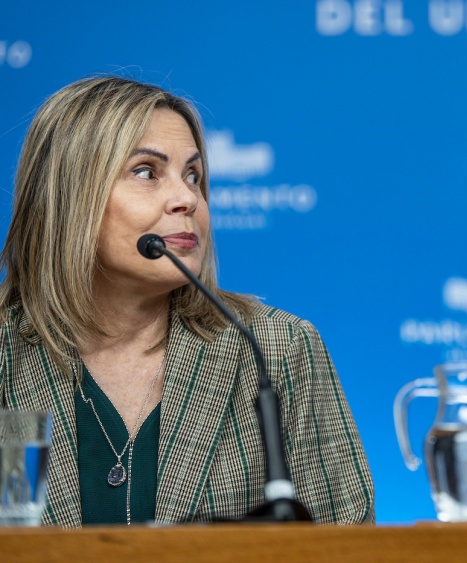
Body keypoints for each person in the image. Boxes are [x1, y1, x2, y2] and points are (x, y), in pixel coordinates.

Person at [0, 76, 374, 526]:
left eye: (193, 176)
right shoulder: (6, 353)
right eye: (146, 172)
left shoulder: (278, 348)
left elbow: (345, 543)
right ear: (68, 196)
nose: (187, 199)